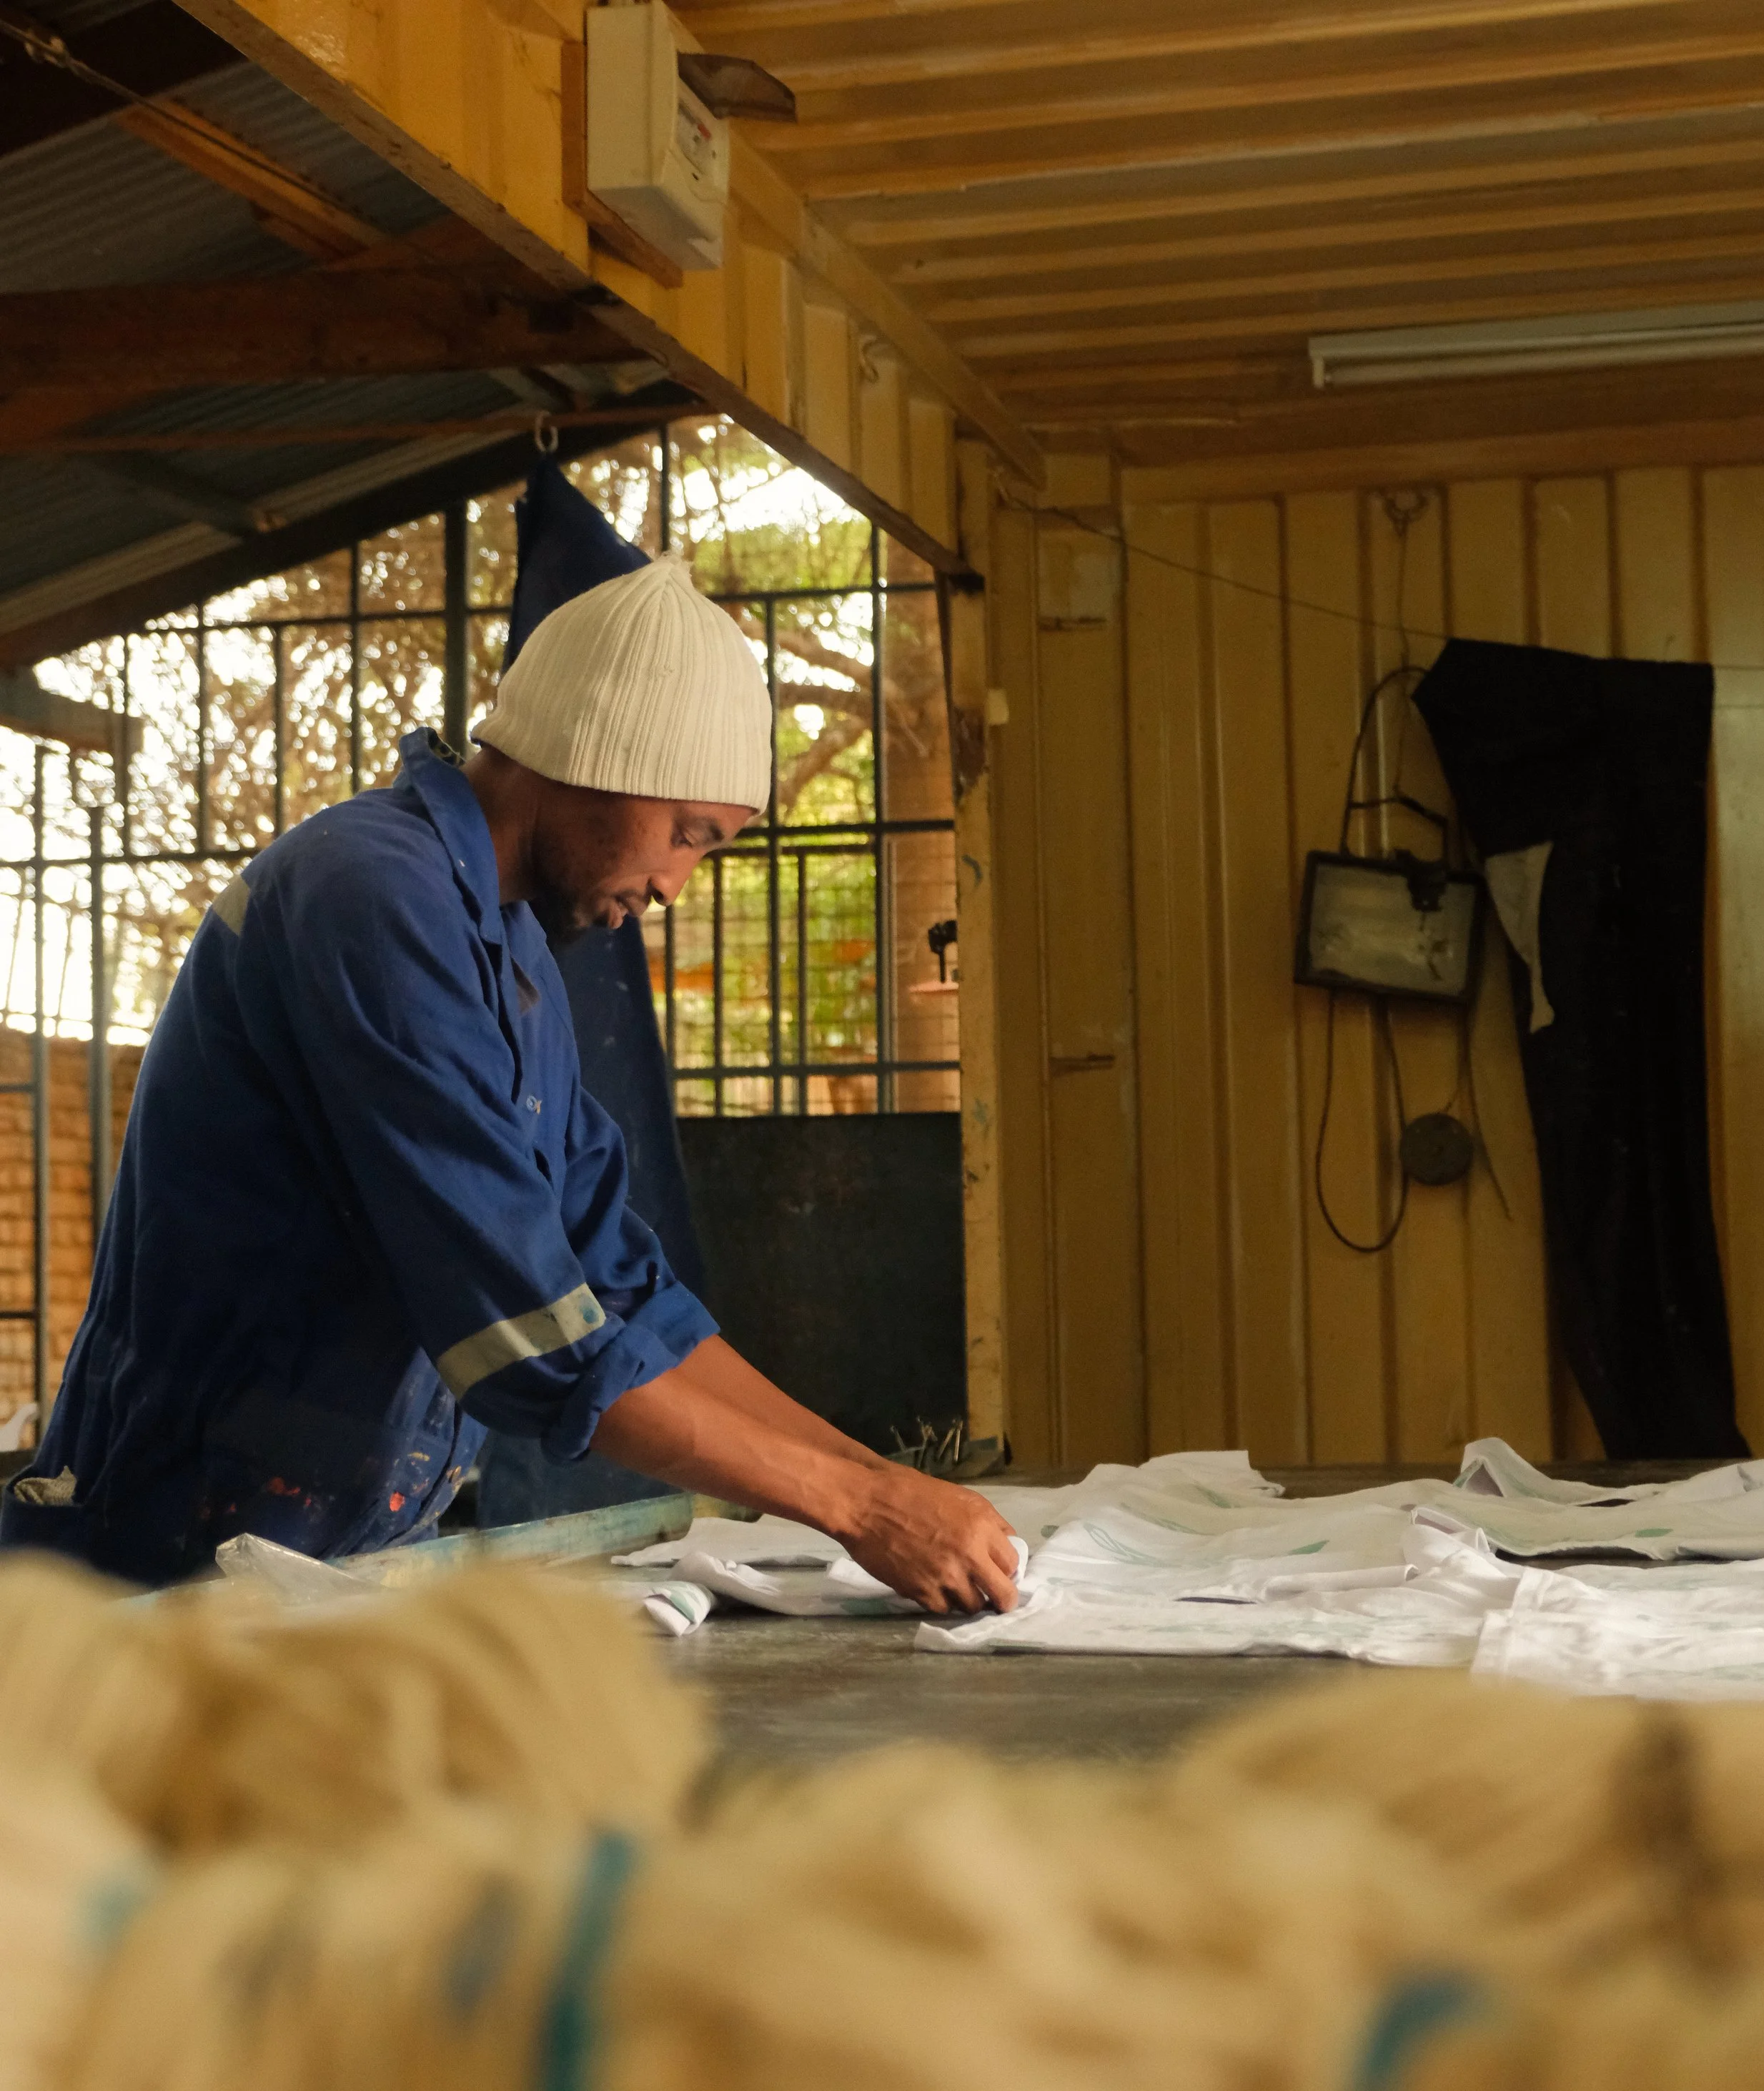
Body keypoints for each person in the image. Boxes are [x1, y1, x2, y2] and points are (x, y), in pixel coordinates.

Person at [0, 557, 1020, 1608]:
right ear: (590, 758)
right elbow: (532, 1340)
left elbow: (625, 1290)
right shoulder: (370, 896)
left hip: (327, 1554)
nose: (674, 884)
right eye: (686, 834)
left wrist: (880, 1479)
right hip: (169, 1553)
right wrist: (856, 1511)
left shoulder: (514, 953)